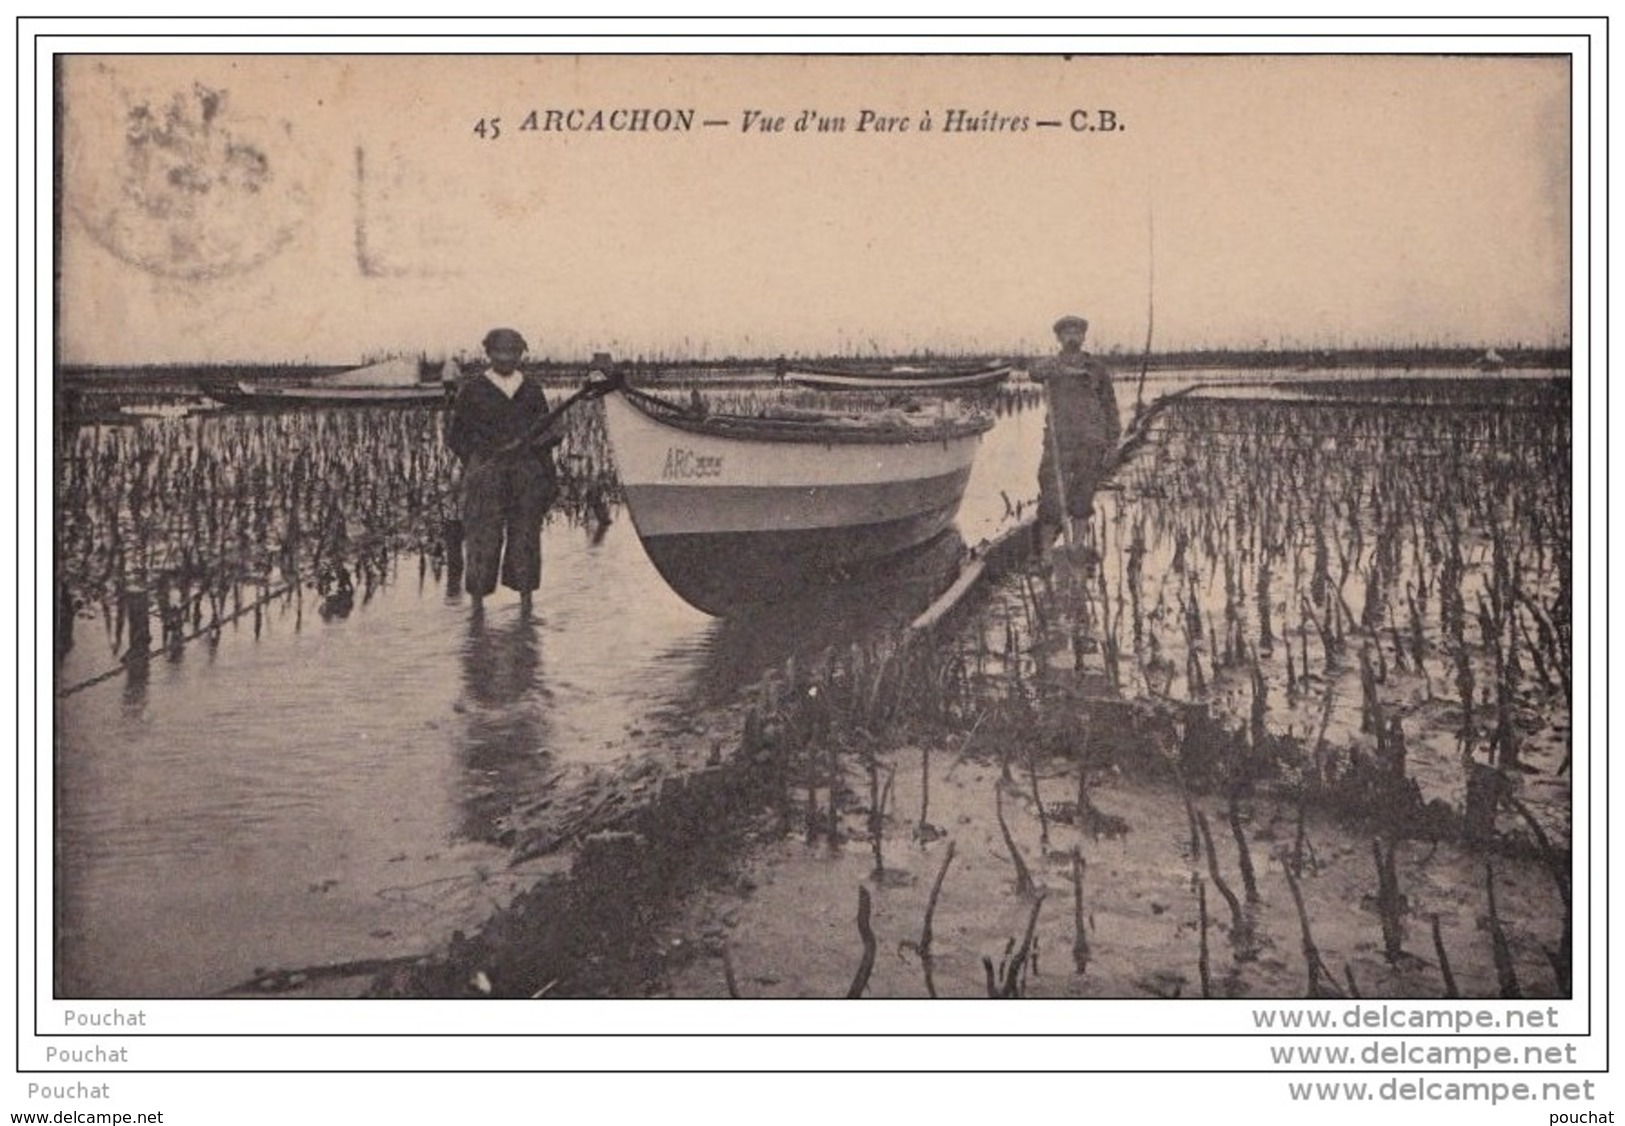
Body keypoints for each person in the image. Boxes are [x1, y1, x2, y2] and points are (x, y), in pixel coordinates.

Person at [445, 328, 561, 611]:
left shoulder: (531, 389)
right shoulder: (473, 390)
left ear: (521, 354)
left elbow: (546, 432)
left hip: (526, 472)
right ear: (488, 353)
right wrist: (481, 456)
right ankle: (477, 609)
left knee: (525, 536)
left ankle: (525, 607)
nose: (506, 358)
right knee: (483, 536)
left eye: (513, 352)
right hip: (488, 472)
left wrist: (546, 473)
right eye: (500, 351)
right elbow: (456, 436)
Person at [1032, 314, 1121, 552]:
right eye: (1067, 333)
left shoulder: (1096, 368)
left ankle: (1076, 547)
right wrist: (1050, 369)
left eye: (1076, 333)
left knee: (1083, 495)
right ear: (1059, 338)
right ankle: (1046, 554)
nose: (1072, 337)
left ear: (1083, 337)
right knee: (1051, 495)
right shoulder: (1051, 365)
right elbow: (1034, 372)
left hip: (1091, 440)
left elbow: (1110, 406)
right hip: (1059, 441)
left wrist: (1112, 443)